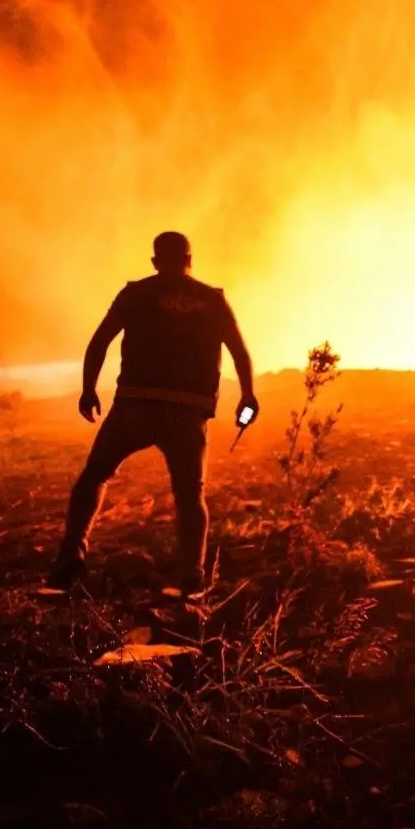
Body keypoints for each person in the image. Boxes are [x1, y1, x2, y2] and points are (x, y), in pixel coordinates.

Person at [46, 232, 258, 593]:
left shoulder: (136, 294)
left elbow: (99, 341)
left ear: (155, 262)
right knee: (190, 495)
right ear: (191, 260)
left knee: (95, 475)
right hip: (187, 412)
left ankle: (72, 554)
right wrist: (248, 395)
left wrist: (88, 389)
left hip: (135, 405)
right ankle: (193, 573)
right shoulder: (212, 300)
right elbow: (239, 351)